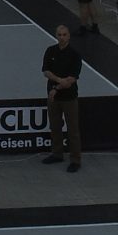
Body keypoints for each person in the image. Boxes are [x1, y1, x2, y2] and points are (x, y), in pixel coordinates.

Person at [40, 24, 83, 172]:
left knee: (73, 130)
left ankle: (75, 160)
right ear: (56, 35)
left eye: (64, 34)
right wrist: (59, 81)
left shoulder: (75, 55)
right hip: (53, 97)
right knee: (55, 126)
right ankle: (57, 153)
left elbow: (72, 79)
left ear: (69, 36)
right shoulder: (50, 51)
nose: (62, 37)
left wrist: (56, 88)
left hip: (69, 98)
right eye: (59, 34)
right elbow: (46, 71)